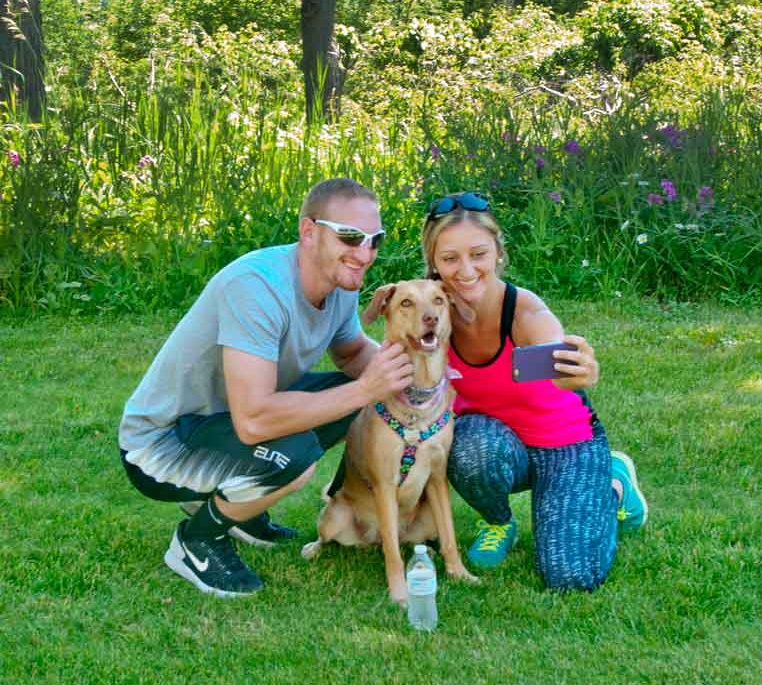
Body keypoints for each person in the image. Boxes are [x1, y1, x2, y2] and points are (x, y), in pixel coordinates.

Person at [118, 178, 414, 598]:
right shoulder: (257, 287)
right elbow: (255, 420)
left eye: (374, 239)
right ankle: (198, 540)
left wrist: (412, 380)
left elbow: (350, 356)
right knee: (296, 459)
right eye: (350, 237)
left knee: (355, 397)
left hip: (223, 423)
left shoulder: (338, 283)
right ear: (309, 232)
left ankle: (244, 508)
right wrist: (369, 388)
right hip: (159, 444)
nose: (364, 253)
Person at [420, 191, 647, 591]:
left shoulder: (526, 313)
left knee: (571, 577)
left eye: (478, 254)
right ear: (433, 263)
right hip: (492, 445)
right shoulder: (431, 313)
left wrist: (579, 369)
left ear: (497, 253)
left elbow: (559, 365)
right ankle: (498, 521)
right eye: (450, 258)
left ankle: (613, 485)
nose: (466, 270)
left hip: (564, 441)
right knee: (465, 446)